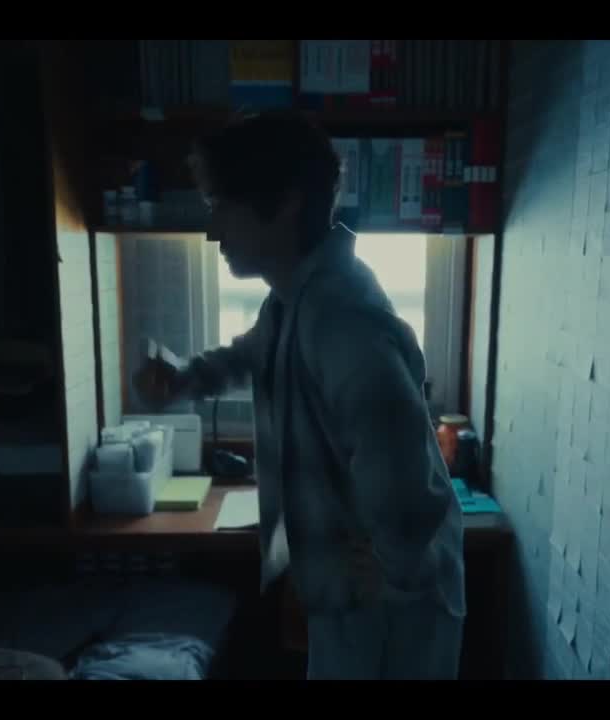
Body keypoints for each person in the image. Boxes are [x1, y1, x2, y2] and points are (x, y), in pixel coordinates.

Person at [133, 110, 465, 680]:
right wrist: (183, 378)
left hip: (391, 605)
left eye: (220, 206)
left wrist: (391, 568)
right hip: (358, 596)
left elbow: (402, 470)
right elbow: (251, 353)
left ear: (285, 204)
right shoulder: (292, 300)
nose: (212, 231)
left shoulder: (340, 319)